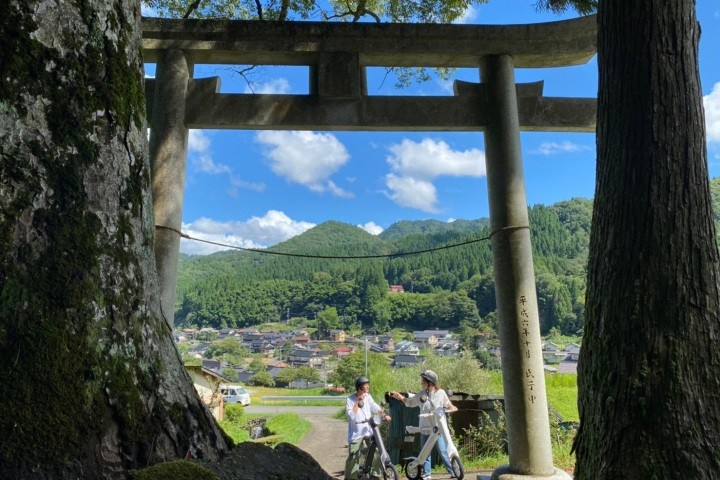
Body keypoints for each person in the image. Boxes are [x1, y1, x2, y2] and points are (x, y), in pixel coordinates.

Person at [389, 370, 458, 480]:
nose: (422, 383)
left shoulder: (441, 393)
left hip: (436, 428)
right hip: (425, 428)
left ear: (430, 382)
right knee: (425, 452)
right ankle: (427, 474)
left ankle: (454, 472)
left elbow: (448, 404)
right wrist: (400, 397)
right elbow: (410, 402)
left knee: (443, 450)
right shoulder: (421, 394)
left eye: (423, 381)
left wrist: (452, 408)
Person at [345, 375, 391, 480]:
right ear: (359, 386)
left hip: (369, 430)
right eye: (365, 385)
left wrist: (384, 415)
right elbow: (351, 415)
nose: (367, 386)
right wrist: (357, 402)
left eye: (367, 384)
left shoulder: (368, 396)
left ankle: (375, 475)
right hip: (356, 432)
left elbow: (375, 407)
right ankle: (351, 477)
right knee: (353, 455)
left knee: (376, 451)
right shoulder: (350, 399)